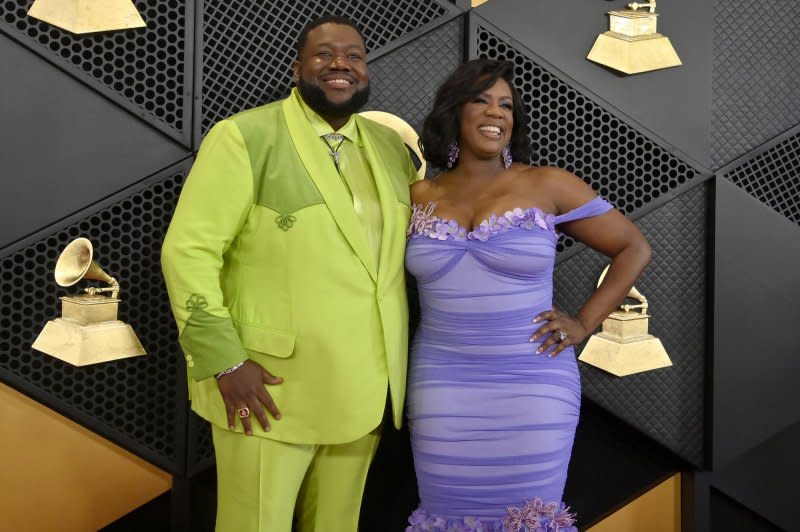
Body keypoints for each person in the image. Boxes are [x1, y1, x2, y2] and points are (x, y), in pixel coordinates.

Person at [161, 15, 418, 532]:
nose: (341, 64)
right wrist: (225, 362)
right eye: (324, 55)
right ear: (297, 68)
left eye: (354, 55)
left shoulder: (393, 150)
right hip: (266, 388)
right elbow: (187, 252)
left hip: (366, 387)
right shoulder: (244, 137)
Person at [404, 59, 652, 531]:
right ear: (454, 112)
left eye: (506, 105)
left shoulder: (548, 183)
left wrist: (583, 324)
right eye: (480, 101)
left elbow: (633, 247)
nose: (495, 113)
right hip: (443, 388)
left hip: (533, 386)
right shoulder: (418, 195)